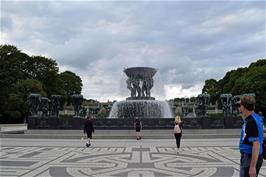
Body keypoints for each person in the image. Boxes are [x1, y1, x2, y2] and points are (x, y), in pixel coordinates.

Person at [238, 95, 263, 177]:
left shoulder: (251, 122)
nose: (239, 108)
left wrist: (252, 167)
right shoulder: (255, 117)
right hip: (250, 157)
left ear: (244, 107)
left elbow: (256, 145)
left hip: (249, 158)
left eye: (240, 105)